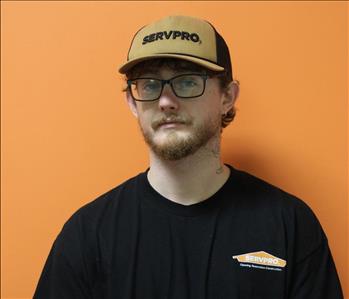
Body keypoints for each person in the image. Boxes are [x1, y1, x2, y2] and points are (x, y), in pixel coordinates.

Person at [34, 15, 343, 299]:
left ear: (227, 97)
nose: (166, 101)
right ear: (132, 102)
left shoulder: (289, 225)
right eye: (150, 84)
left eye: (187, 82)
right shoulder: (88, 235)